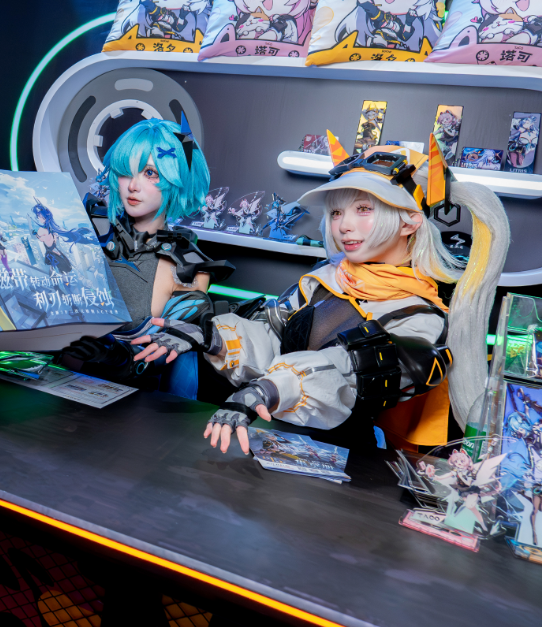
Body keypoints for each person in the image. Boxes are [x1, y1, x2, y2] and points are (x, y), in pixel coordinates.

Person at [133, 140, 509, 453]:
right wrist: (210, 335)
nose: (344, 225)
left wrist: (268, 389)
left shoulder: (420, 314)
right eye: (337, 212)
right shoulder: (323, 280)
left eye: (364, 209)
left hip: (352, 462)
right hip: (272, 439)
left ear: (410, 221)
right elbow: (272, 336)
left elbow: (348, 371)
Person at [60, 117, 233, 392]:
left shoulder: (188, 265)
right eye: (126, 172)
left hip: (138, 398)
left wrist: (115, 356)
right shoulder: (90, 238)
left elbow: (174, 353)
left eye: (150, 173)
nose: (133, 185)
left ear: (178, 179)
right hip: (63, 385)